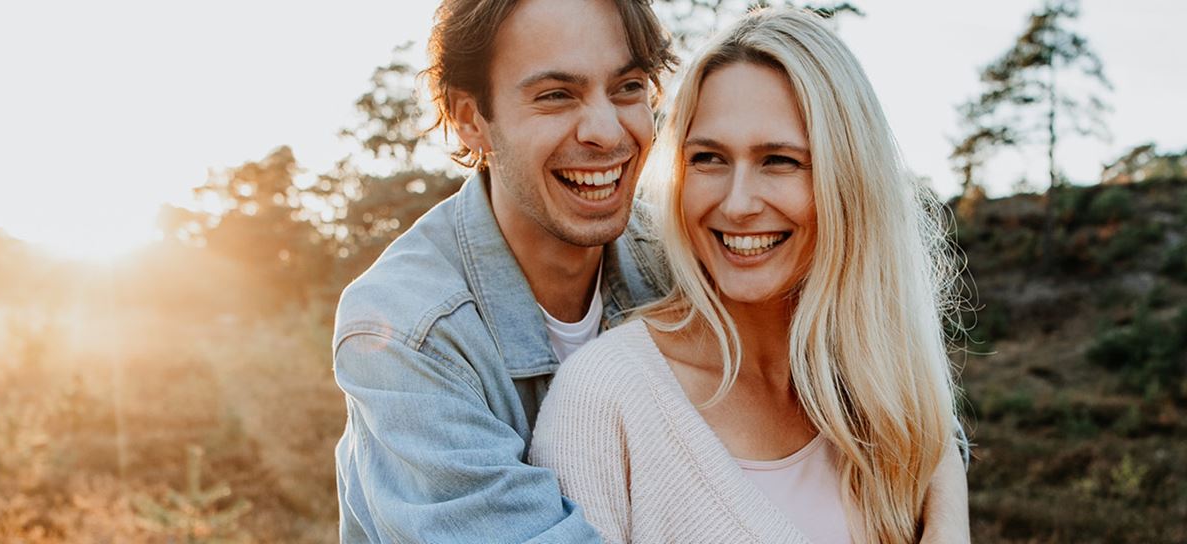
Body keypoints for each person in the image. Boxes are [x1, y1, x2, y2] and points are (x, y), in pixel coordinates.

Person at [531, 7, 970, 544]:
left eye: (780, 161)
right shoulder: (605, 401)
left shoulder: (884, 391)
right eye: (709, 158)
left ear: (850, 180)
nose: (737, 205)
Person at [331, 0, 678, 541]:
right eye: (556, 96)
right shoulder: (405, 329)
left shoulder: (678, 267)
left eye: (628, 86)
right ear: (471, 119)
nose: (607, 133)